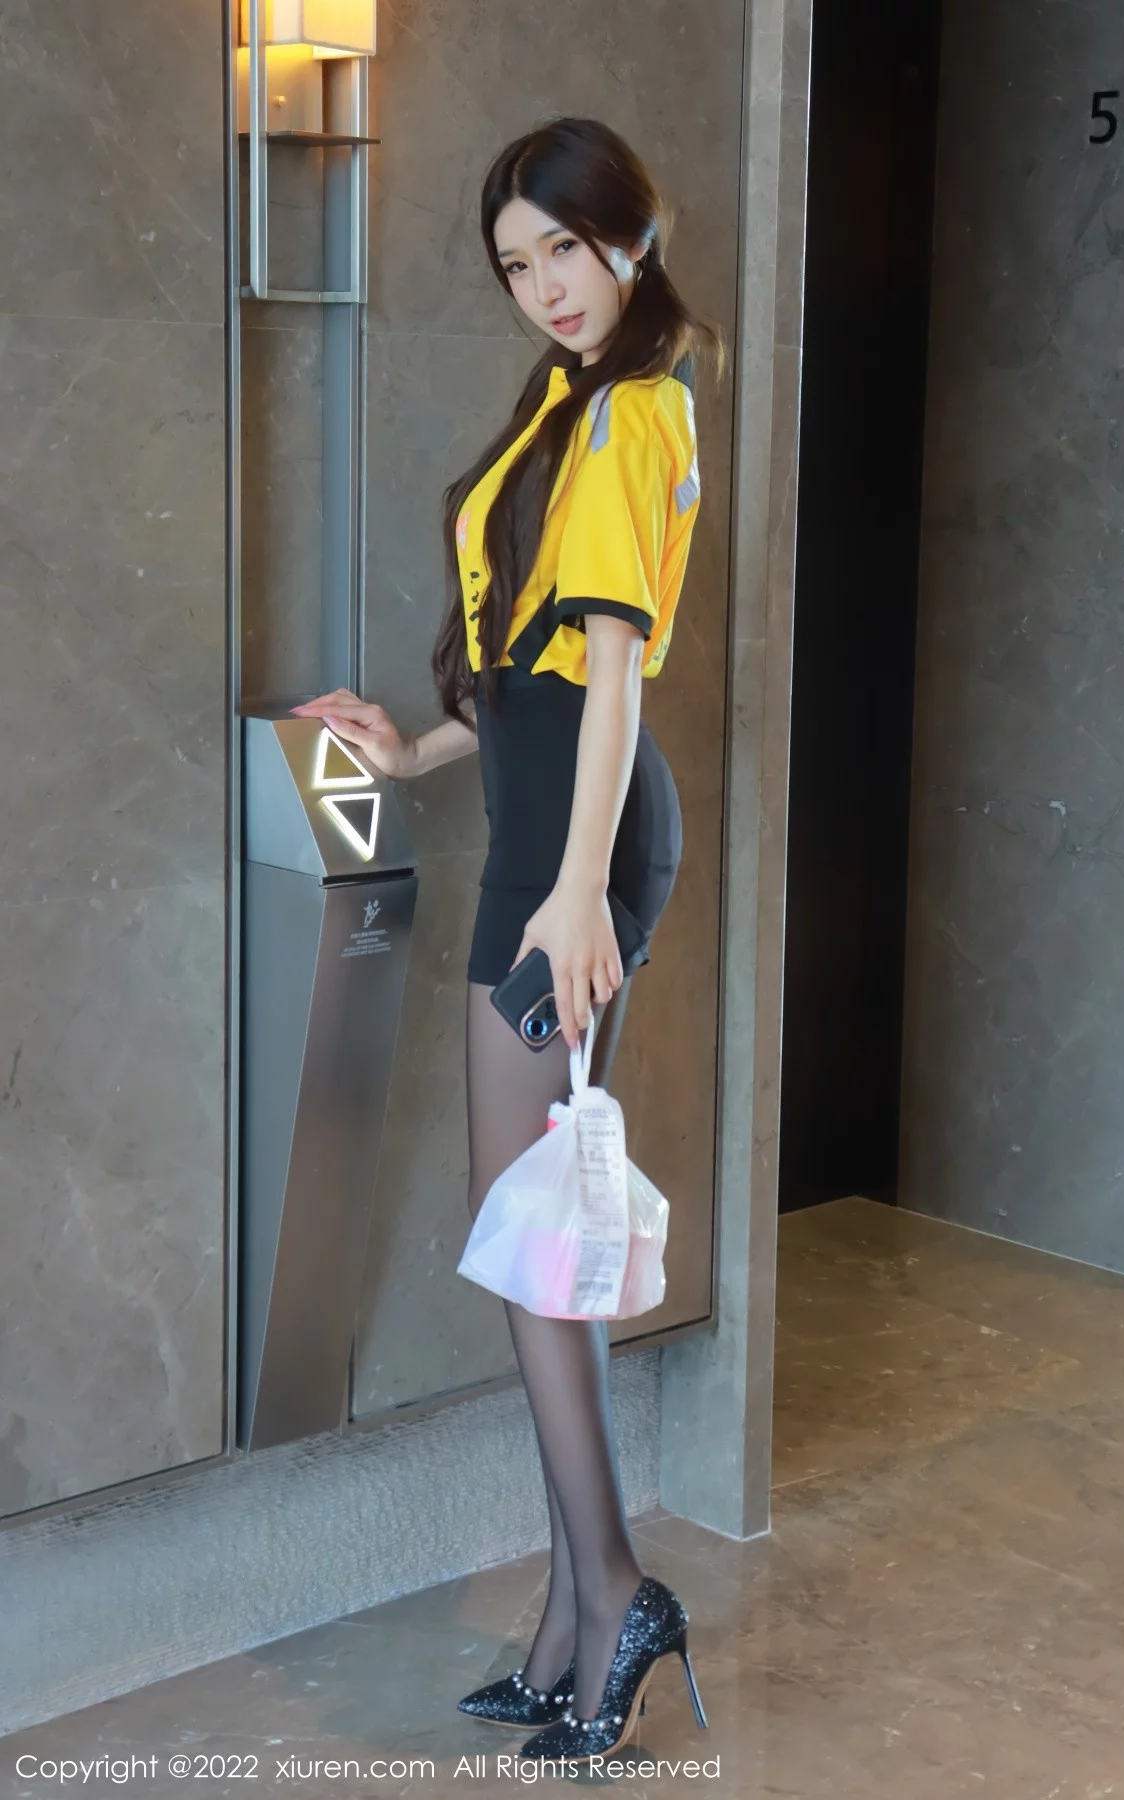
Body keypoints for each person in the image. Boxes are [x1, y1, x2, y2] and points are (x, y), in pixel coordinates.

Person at [292, 116, 723, 1765]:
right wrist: (414, 748)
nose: (546, 284)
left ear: (634, 233)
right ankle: (569, 1617)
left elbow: (610, 672)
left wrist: (576, 887)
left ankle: (614, 1595)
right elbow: (527, 663)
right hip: (548, 835)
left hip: (575, 855)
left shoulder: (634, 404)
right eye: (517, 262)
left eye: (567, 247)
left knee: (536, 1246)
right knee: (525, 1235)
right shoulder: (570, 394)